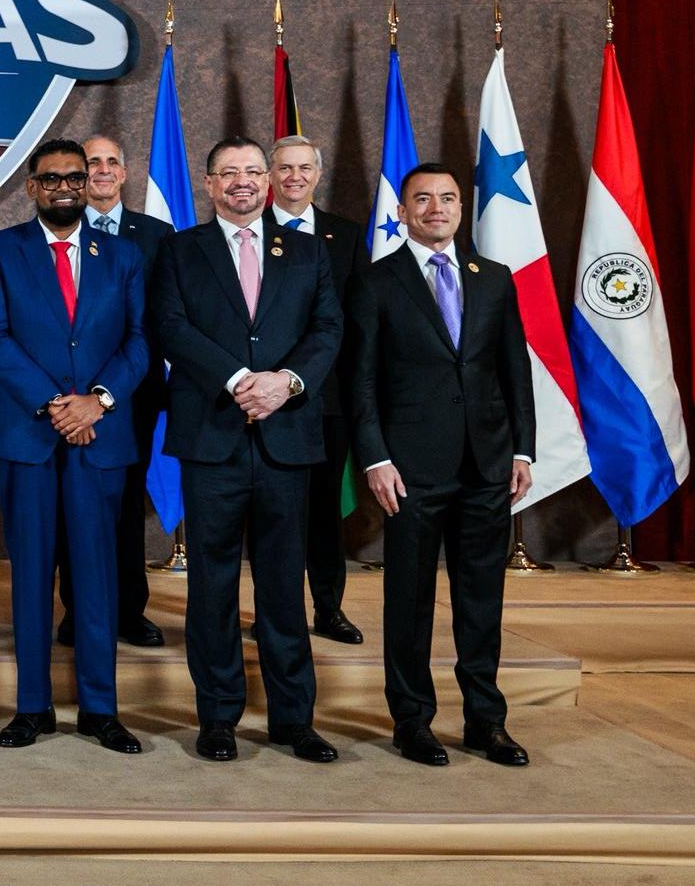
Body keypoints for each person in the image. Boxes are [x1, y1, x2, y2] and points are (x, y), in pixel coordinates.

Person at [149, 136, 341, 764]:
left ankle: (293, 720)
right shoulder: (180, 250)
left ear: (269, 181)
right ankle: (218, 717)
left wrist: (286, 382)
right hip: (213, 438)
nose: (242, 182)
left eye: (253, 172)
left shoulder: (308, 250)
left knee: (284, 586)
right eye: (228, 172)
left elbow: (327, 329)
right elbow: (170, 327)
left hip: (286, 438)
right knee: (213, 586)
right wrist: (238, 380)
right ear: (208, 184)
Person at [347, 163, 535, 768]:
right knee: (409, 601)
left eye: (448, 198)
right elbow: (360, 382)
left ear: (460, 208)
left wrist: (523, 449)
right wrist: (375, 457)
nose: (436, 208)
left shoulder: (494, 279)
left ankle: (486, 721)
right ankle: (413, 721)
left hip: (486, 465)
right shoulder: (375, 282)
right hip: (409, 470)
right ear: (402, 212)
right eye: (422, 199)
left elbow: (515, 370)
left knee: (482, 601)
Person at [0, 140, 147, 754]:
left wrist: (97, 400)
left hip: (100, 437)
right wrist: (55, 405)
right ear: (32, 187)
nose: (66, 187)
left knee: (97, 576)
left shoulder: (122, 255)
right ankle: (32, 706)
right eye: (52, 179)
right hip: (28, 437)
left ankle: (100, 709)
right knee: (30, 576)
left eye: (76, 176)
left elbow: (139, 340)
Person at [61, 134, 170, 649]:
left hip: (134, 395)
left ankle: (129, 610)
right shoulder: (60, 227)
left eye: (111, 162)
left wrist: (115, 388)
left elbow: (161, 319)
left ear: (124, 173)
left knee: (125, 505)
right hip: (68, 398)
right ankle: (76, 611)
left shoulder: (157, 235)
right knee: (73, 504)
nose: (102, 170)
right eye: (92, 163)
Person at [265, 135, 366, 645]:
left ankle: (329, 609)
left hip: (326, 399)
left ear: (318, 175)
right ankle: (273, 615)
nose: (295, 177)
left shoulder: (345, 236)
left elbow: (356, 321)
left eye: (304, 168)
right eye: (285, 168)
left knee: (324, 511)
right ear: (269, 175)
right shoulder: (249, 231)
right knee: (271, 515)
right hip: (262, 398)